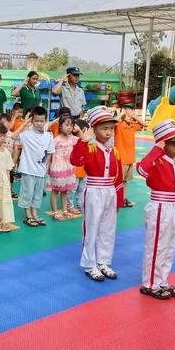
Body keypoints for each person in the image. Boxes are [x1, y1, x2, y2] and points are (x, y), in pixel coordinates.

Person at [137, 120, 175, 300]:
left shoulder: (174, 164)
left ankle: (162, 280)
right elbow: (141, 170)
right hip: (159, 208)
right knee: (157, 247)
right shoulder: (156, 161)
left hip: (172, 208)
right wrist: (156, 150)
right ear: (162, 144)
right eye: (174, 143)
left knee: (169, 247)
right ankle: (150, 283)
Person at [70, 106, 124, 282]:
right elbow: (75, 160)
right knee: (91, 227)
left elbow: (119, 177)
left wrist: (119, 199)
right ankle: (89, 263)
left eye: (111, 128)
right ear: (94, 129)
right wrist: (83, 142)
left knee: (108, 228)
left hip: (110, 192)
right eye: (104, 128)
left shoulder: (114, 151)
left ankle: (103, 261)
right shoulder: (90, 147)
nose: (108, 132)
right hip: (94, 190)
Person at [16, 106, 54, 228]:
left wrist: (47, 169)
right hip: (28, 170)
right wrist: (24, 124)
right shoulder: (26, 135)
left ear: (45, 121)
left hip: (41, 171)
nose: (39, 123)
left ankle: (35, 214)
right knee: (28, 193)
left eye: (41, 121)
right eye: (36, 121)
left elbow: (49, 154)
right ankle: (28, 215)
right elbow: (12, 136)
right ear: (32, 121)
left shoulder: (48, 136)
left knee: (37, 194)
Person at [114, 103, 147, 207]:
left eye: (132, 112)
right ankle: (116, 200)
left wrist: (134, 116)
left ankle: (123, 199)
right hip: (121, 158)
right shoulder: (118, 125)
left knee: (124, 182)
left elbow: (145, 124)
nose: (130, 116)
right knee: (118, 181)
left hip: (130, 158)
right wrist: (122, 113)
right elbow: (112, 122)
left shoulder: (132, 125)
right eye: (128, 113)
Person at [46, 115, 78, 221]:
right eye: (66, 125)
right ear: (60, 126)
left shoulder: (72, 138)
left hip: (68, 168)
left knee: (65, 190)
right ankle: (55, 211)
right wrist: (48, 166)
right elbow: (49, 153)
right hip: (57, 167)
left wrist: (78, 130)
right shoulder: (56, 140)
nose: (69, 127)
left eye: (71, 125)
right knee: (55, 190)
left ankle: (64, 210)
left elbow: (84, 140)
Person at [67, 119, 88, 214]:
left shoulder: (85, 142)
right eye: (86, 130)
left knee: (81, 189)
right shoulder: (74, 141)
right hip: (74, 172)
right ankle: (70, 206)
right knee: (72, 190)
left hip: (84, 171)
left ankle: (80, 204)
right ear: (82, 130)